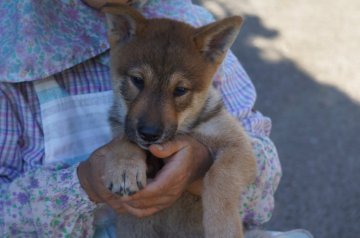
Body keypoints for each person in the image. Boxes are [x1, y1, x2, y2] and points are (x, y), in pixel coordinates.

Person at [0, 0, 283, 237]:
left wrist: (202, 165)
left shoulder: (192, 27)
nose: (151, 123)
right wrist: (86, 182)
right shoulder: (13, 50)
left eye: (180, 91)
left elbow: (261, 163)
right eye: (137, 81)